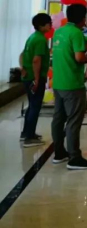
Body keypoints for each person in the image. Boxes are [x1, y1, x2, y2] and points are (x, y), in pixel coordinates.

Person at [51, 3, 87, 170]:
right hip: (72, 83)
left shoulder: (59, 31)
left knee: (58, 118)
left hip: (58, 82)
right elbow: (79, 58)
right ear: (82, 18)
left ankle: (59, 152)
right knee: (74, 120)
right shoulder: (76, 33)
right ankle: (74, 158)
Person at [19, 13, 52, 147]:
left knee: (32, 105)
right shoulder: (40, 40)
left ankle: (27, 133)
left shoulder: (32, 37)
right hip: (34, 77)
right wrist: (37, 79)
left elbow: (22, 54)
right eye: (48, 23)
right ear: (41, 25)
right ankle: (29, 138)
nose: (50, 25)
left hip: (28, 76)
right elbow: (36, 60)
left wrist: (22, 68)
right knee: (35, 106)